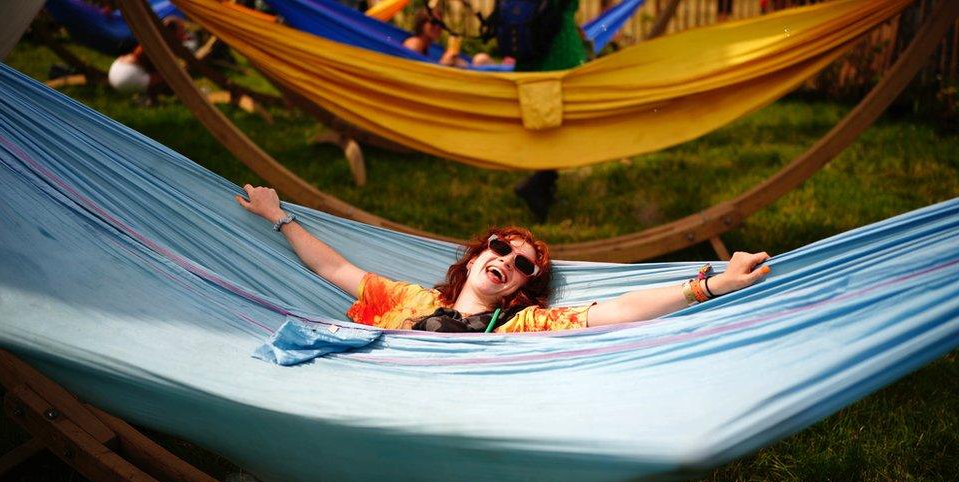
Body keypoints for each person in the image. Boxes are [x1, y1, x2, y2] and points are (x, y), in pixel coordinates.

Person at [237, 185, 772, 333]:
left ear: (520, 289)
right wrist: (277, 216)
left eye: (523, 265)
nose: (509, 261)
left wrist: (710, 286)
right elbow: (334, 269)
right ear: (473, 259)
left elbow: (616, 310)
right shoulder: (407, 299)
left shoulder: (515, 327)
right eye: (500, 248)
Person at [511, 0, 588, 222]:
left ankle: (544, 183)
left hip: (529, 50)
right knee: (559, 123)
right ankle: (539, 184)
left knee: (544, 122)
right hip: (557, 55)